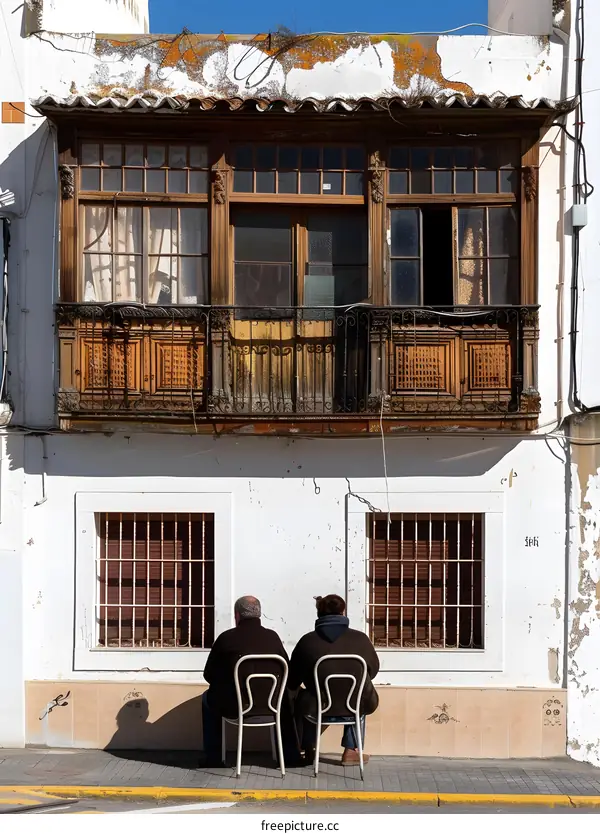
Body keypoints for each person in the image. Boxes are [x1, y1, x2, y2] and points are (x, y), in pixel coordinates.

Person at [202, 595, 299, 766]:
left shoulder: (226, 638)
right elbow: (287, 671)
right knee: (286, 697)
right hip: (272, 705)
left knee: (206, 698)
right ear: (259, 614)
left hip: (236, 706)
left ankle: (214, 757)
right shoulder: (272, 638)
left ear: (237, 615)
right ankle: (290, 755)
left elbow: (209, 675)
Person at [288, 594, 380, 765]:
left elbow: (293, 679)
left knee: (305, 695)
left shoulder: (307, 641)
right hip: (353, 705)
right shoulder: (360, 639)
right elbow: (373, 670)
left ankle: (308, 747)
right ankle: (351, 750)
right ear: (343, 612)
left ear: (319, 613)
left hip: (317, 707)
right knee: (359, 695)